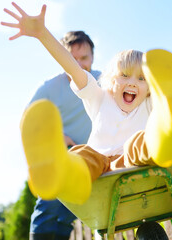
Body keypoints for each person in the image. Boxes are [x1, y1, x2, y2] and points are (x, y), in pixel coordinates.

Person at [1, 2, 172, 206]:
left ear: (150, 87)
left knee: (140, 142)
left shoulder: (147, 103)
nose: (133, 83)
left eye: (141, 78)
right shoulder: (98, 96)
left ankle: (168, 134)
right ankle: (59, 171)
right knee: (82, 154)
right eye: (124, 76)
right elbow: (72, 67)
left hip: (133, 161)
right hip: (100, 165)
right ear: (110, 81)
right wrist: (43, 33)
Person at [26, 31, 100, 240]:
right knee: (49, 204)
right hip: (59, 154)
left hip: (88, 159)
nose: (78, 65)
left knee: (69, 212)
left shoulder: (102, 81)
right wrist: (58, 136)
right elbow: (30, 118)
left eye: (84, 58)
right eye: (72, 59)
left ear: (92, 57)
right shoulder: (51, 87)